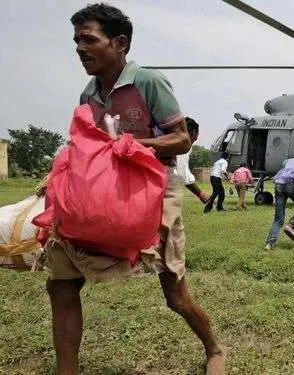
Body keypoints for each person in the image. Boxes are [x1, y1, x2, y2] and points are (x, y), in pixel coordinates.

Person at [45, 4, 226, 374]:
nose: (79, 48)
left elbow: (180, 139)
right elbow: (84, 144)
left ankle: (215, 349)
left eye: (89, 39)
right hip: (100, 192)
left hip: (153, 190)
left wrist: (136, 144)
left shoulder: (147, 81)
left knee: (175, 295)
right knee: (61, 283)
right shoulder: (88, 93)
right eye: (76, 40)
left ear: (120, 43)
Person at [176, 117, 210, 204]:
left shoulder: (170, 139)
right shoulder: (183, 144)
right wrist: (200, 193)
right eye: (198, 133)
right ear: (194, 132)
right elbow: (182, 173)